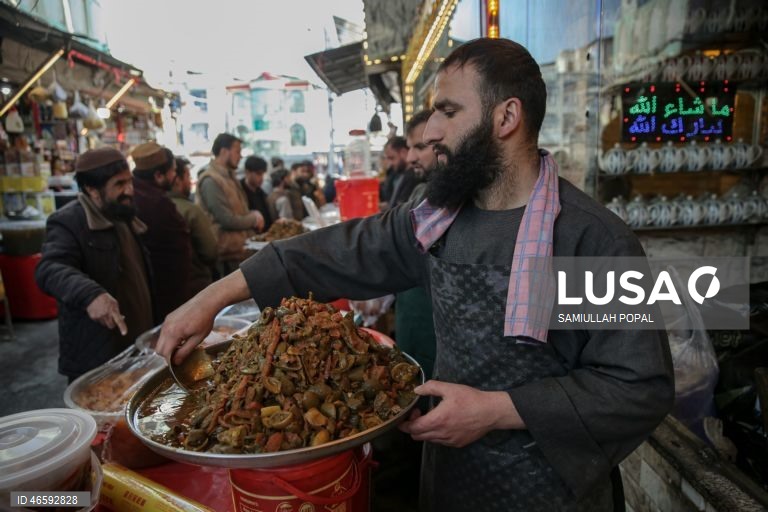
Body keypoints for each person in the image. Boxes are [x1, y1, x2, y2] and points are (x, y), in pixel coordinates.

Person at [157, 38, 673, 511]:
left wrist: (495, 409)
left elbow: (637, 388)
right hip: (450, 480)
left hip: (549, 490)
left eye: (448, 111)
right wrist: (213, 298)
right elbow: (341, 250)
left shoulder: (591, 239)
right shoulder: (439, 216)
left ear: (506, 116)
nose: (430, 131)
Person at [36, 147, 153, 382]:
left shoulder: (122, 215)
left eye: (129, 182)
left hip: (138, 351)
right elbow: (49, 268)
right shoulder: (69, 221)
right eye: (119, 184)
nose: (129, 190)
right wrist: (91, 295)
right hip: (99, 360)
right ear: (92, 190)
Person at [131, 142, 193, 322]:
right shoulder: (157, 204)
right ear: (159, 175)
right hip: (166, 295)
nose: (175, 176)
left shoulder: (137, 194)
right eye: (173, 171)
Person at [196, 133, 263, 277]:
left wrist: (252, 214)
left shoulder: (230, 177)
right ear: (224, 151)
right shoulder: (211, 180)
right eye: (237, 151)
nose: (240, 156)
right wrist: (254, 219)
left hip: (239, 250)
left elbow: (240, 211)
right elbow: (225, 219)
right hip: (226, 254)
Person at [169, 157, 218, 296]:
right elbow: (210, 251)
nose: (190, 181)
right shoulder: (190, 210)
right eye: (187, 176)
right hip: (197, 286)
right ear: (177, 179)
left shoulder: (153, 207)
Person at [380, 136, 419, 210]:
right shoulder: (399, 174)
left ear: (403, 152)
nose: (390, 163)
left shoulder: (414, 177)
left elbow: (402, 208)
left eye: (392, 158)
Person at [241, 156, 273, 232]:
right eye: (258, 174)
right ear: (247, 172)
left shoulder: (262, 193)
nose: (261, 178)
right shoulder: (238, 191)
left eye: (263, 174)